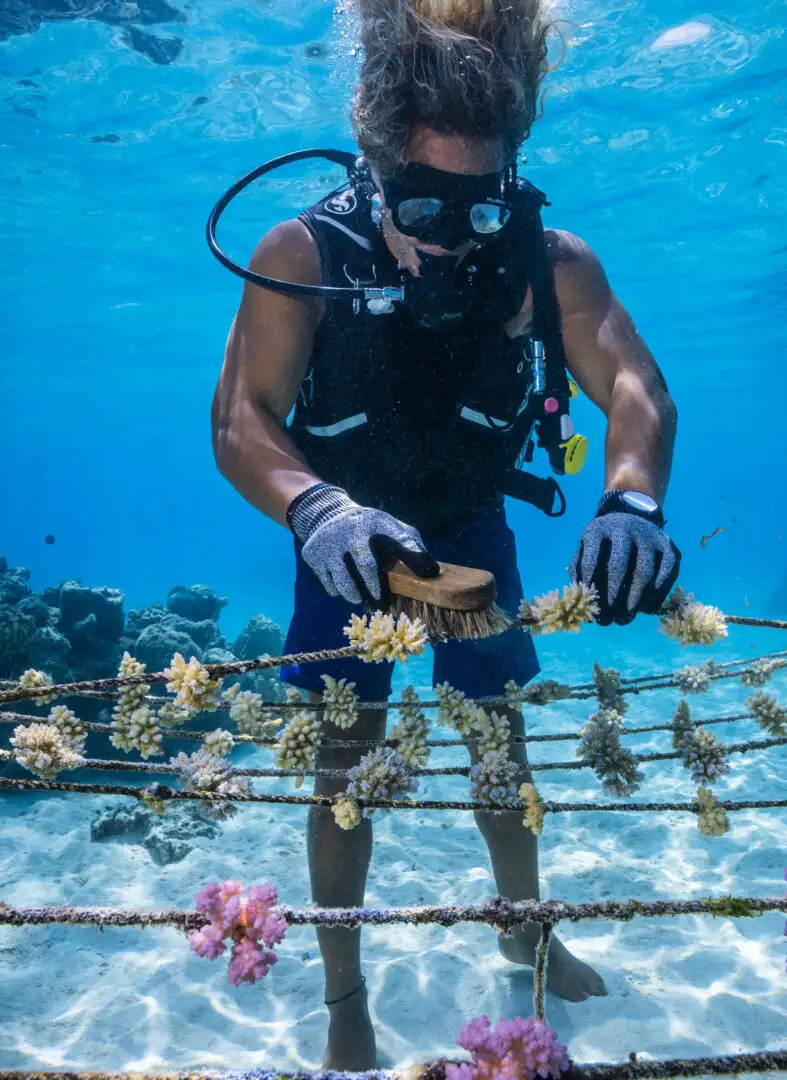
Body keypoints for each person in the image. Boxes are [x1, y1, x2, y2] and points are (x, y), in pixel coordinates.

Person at [209, 0, 679, 1067]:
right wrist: (314, 506)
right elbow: (240, 420)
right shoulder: (303, 252)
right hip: (347, 538)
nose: (455, 235)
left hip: (469, 523)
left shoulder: (548, 259)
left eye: (483, 204)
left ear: (511, 176)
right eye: (425, 204)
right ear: (377, 173)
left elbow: (637, 387)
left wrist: (633, 500)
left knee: (497, 742)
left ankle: (528, 930)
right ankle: (344, 995)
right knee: (345, 760)